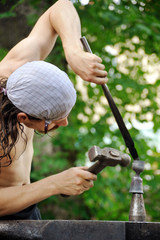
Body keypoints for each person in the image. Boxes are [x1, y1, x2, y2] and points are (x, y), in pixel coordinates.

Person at [0, 0, 108, 220]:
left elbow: (60, 7)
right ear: (23, 117)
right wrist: (54, 184)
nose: (64, 124)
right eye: (53, 121)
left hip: (27, 207)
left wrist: (74, 52)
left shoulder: (18, 67)